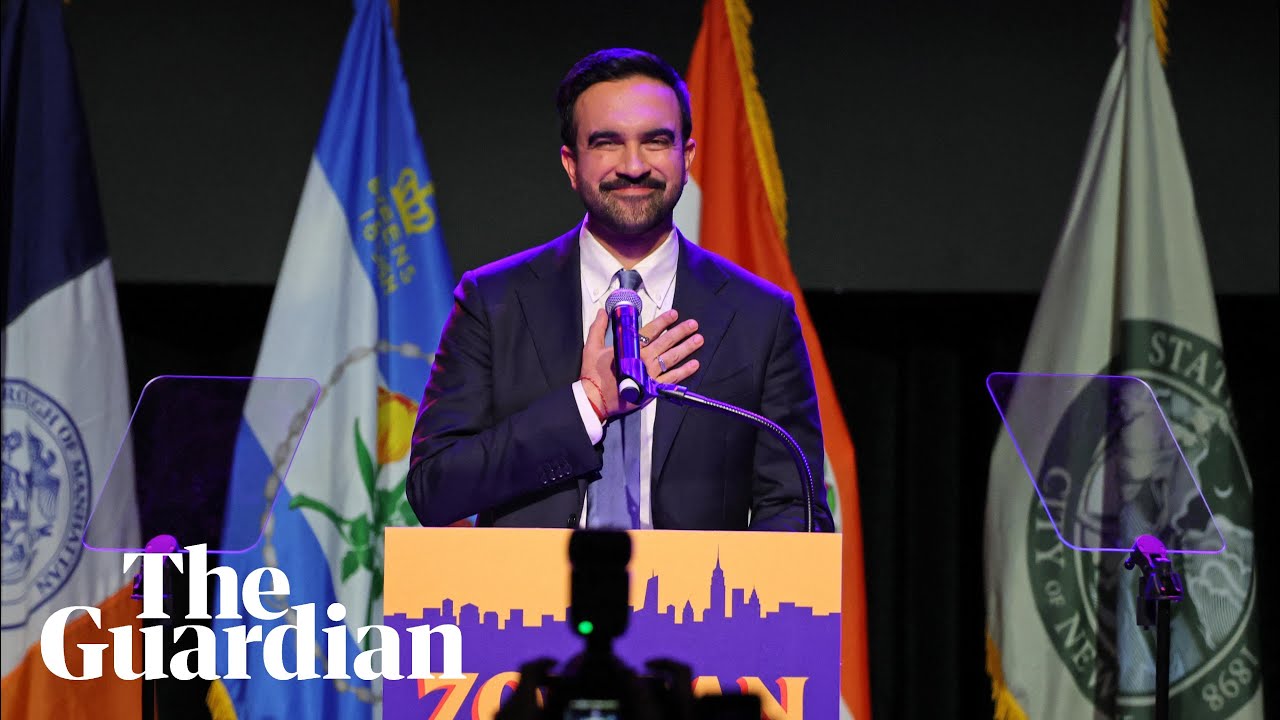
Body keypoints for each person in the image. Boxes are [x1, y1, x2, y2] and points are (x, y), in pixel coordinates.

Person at [406, 48, 833, 532]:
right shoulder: (493, 301)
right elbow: (434, 490)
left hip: (695, 605)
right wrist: (587, 405)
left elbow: (794, 508)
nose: (633, 165)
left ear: (686, 157)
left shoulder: (760, 316)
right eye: (607, 143)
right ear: (571, 163)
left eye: (655, 141)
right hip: (528, 603)